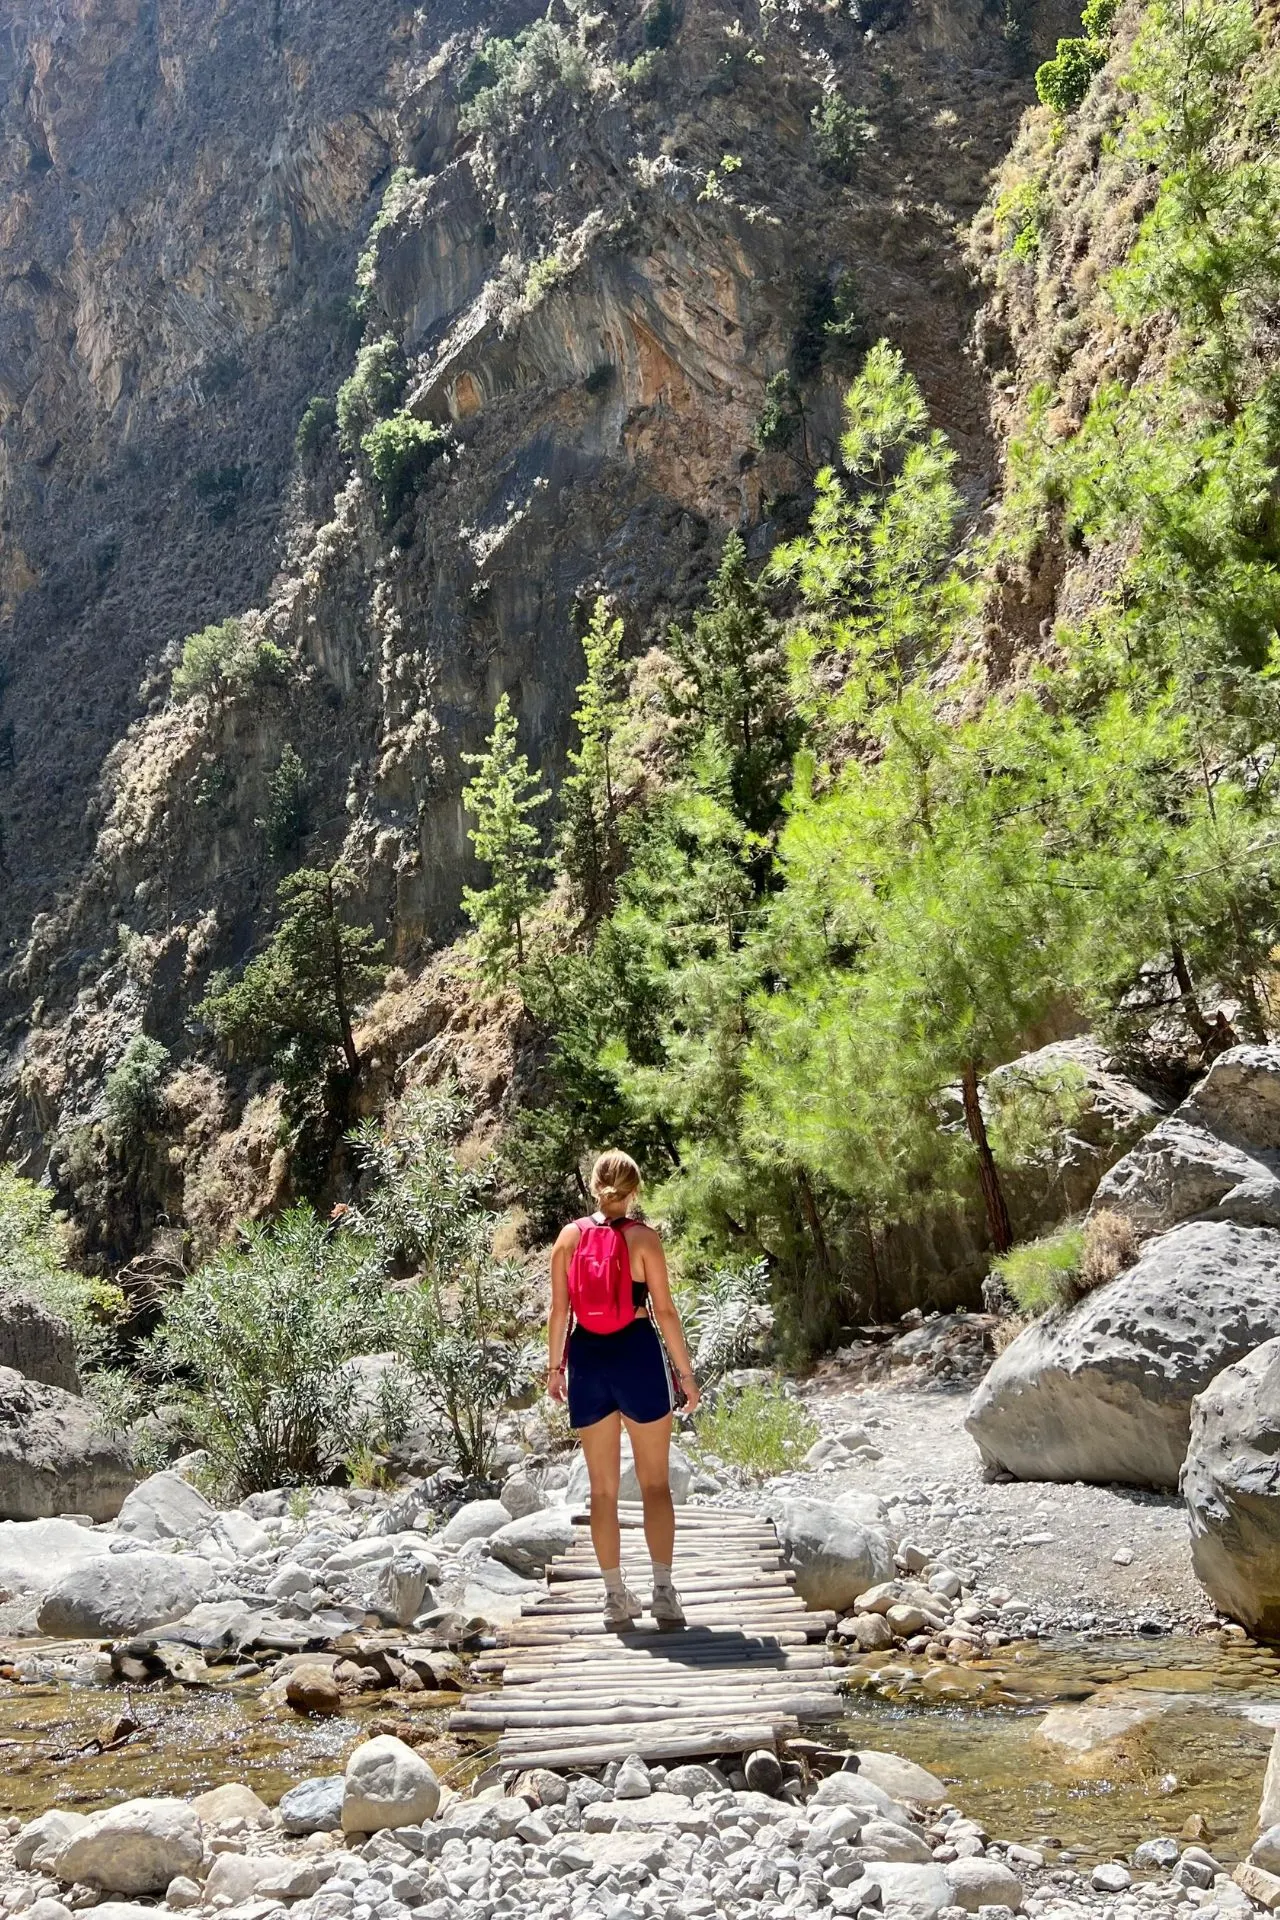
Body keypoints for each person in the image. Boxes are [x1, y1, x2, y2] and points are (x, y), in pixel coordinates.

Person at [547, 1149, 701, 1629]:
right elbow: (667, 1313)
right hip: (636, 1353)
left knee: (602, 1491)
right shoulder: (644, 1240)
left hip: (588, 1359)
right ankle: (663, 1594)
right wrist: (686, 1373)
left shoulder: (569, 1238)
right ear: (635, 1191)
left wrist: (556, 1369)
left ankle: (614, 1595)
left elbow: (558, 1311)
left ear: (594, 1186)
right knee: (655, 1483)